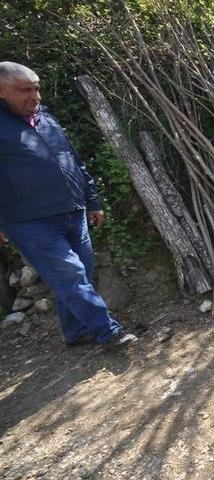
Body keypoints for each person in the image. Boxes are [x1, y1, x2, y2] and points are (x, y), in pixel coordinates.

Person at [0, 62, 137, 350]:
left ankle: (76, 333)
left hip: (73, 211)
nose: (35, 96)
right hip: (30, 222)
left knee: (80, 275)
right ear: (2, 91)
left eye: (37, 88)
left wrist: (92, 200)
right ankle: (109, 332)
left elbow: (72, 158)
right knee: (71, 276)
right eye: (25, 90)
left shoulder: (45, 117)